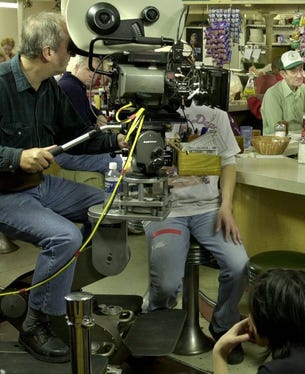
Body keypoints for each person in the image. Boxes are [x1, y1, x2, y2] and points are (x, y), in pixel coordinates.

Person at [0, 12, 125, 363]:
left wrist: (116, 138)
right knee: (64, 237)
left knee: (107, 203)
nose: (71, 53)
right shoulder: (1, 84)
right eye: (67, 47)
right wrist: (15, 157)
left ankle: (61, 287)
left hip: (40, 186)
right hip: (6, 194)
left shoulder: (50, 89)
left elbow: (75, 139)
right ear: (47, 52)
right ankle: (35, 323)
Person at [144, 103, 249, 365]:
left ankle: (223, 325)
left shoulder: (216, 115)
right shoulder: (148, 110)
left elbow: (228, 162)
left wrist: (226, 206)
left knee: (239, 266)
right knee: (167, 284)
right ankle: (155, 317)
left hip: (209, 209)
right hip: (165, 210)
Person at [213, 269, 305, 374]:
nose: (249, 318)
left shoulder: (276, 371)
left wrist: (220, 353)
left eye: (255, 311)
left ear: (271, 321)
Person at [56, 55, 123, 174]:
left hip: (66, 149)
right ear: (76, 68)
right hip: (66, 152)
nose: (93, 75)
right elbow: (82, 132)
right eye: (89, 70)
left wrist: (98, 114)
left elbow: (87, 107)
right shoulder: (71, 88)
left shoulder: (73, 85)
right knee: (116, 161)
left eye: (96, 71)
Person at [260, 50, 305, 135]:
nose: (299, 75)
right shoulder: (273, 94)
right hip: (278, 144)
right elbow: (278, 131)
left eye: (301, 69)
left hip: (303, 141)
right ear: (283, 74)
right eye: (293, 71)